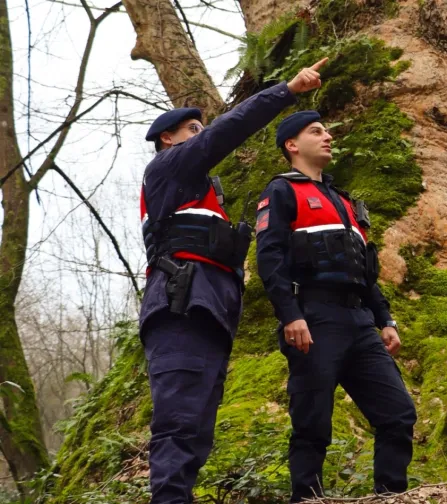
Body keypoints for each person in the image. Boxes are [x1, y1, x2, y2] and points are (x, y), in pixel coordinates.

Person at [138, 58, 328, 504]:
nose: (201, 138)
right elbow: (230, 129)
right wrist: (287, 90)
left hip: (209, 314)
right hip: (179, 310)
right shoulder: (168, 170)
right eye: (192, 131)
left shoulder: (198, 191)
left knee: (198, 431)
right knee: (179, 424)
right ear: (169, 139)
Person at [255, 110, 417, 502]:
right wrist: (290, 314)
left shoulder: (343, 201)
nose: (327, 136)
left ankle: (390, 495)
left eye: (327, 130)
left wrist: (386, 319)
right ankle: (307, 497)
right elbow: (270, 259)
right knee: (312, 423)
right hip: (313, 317)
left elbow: (366, 271)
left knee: (398, 413)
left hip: (360, 322)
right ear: (291, 145)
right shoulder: (281, 191)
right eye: (316, 131)